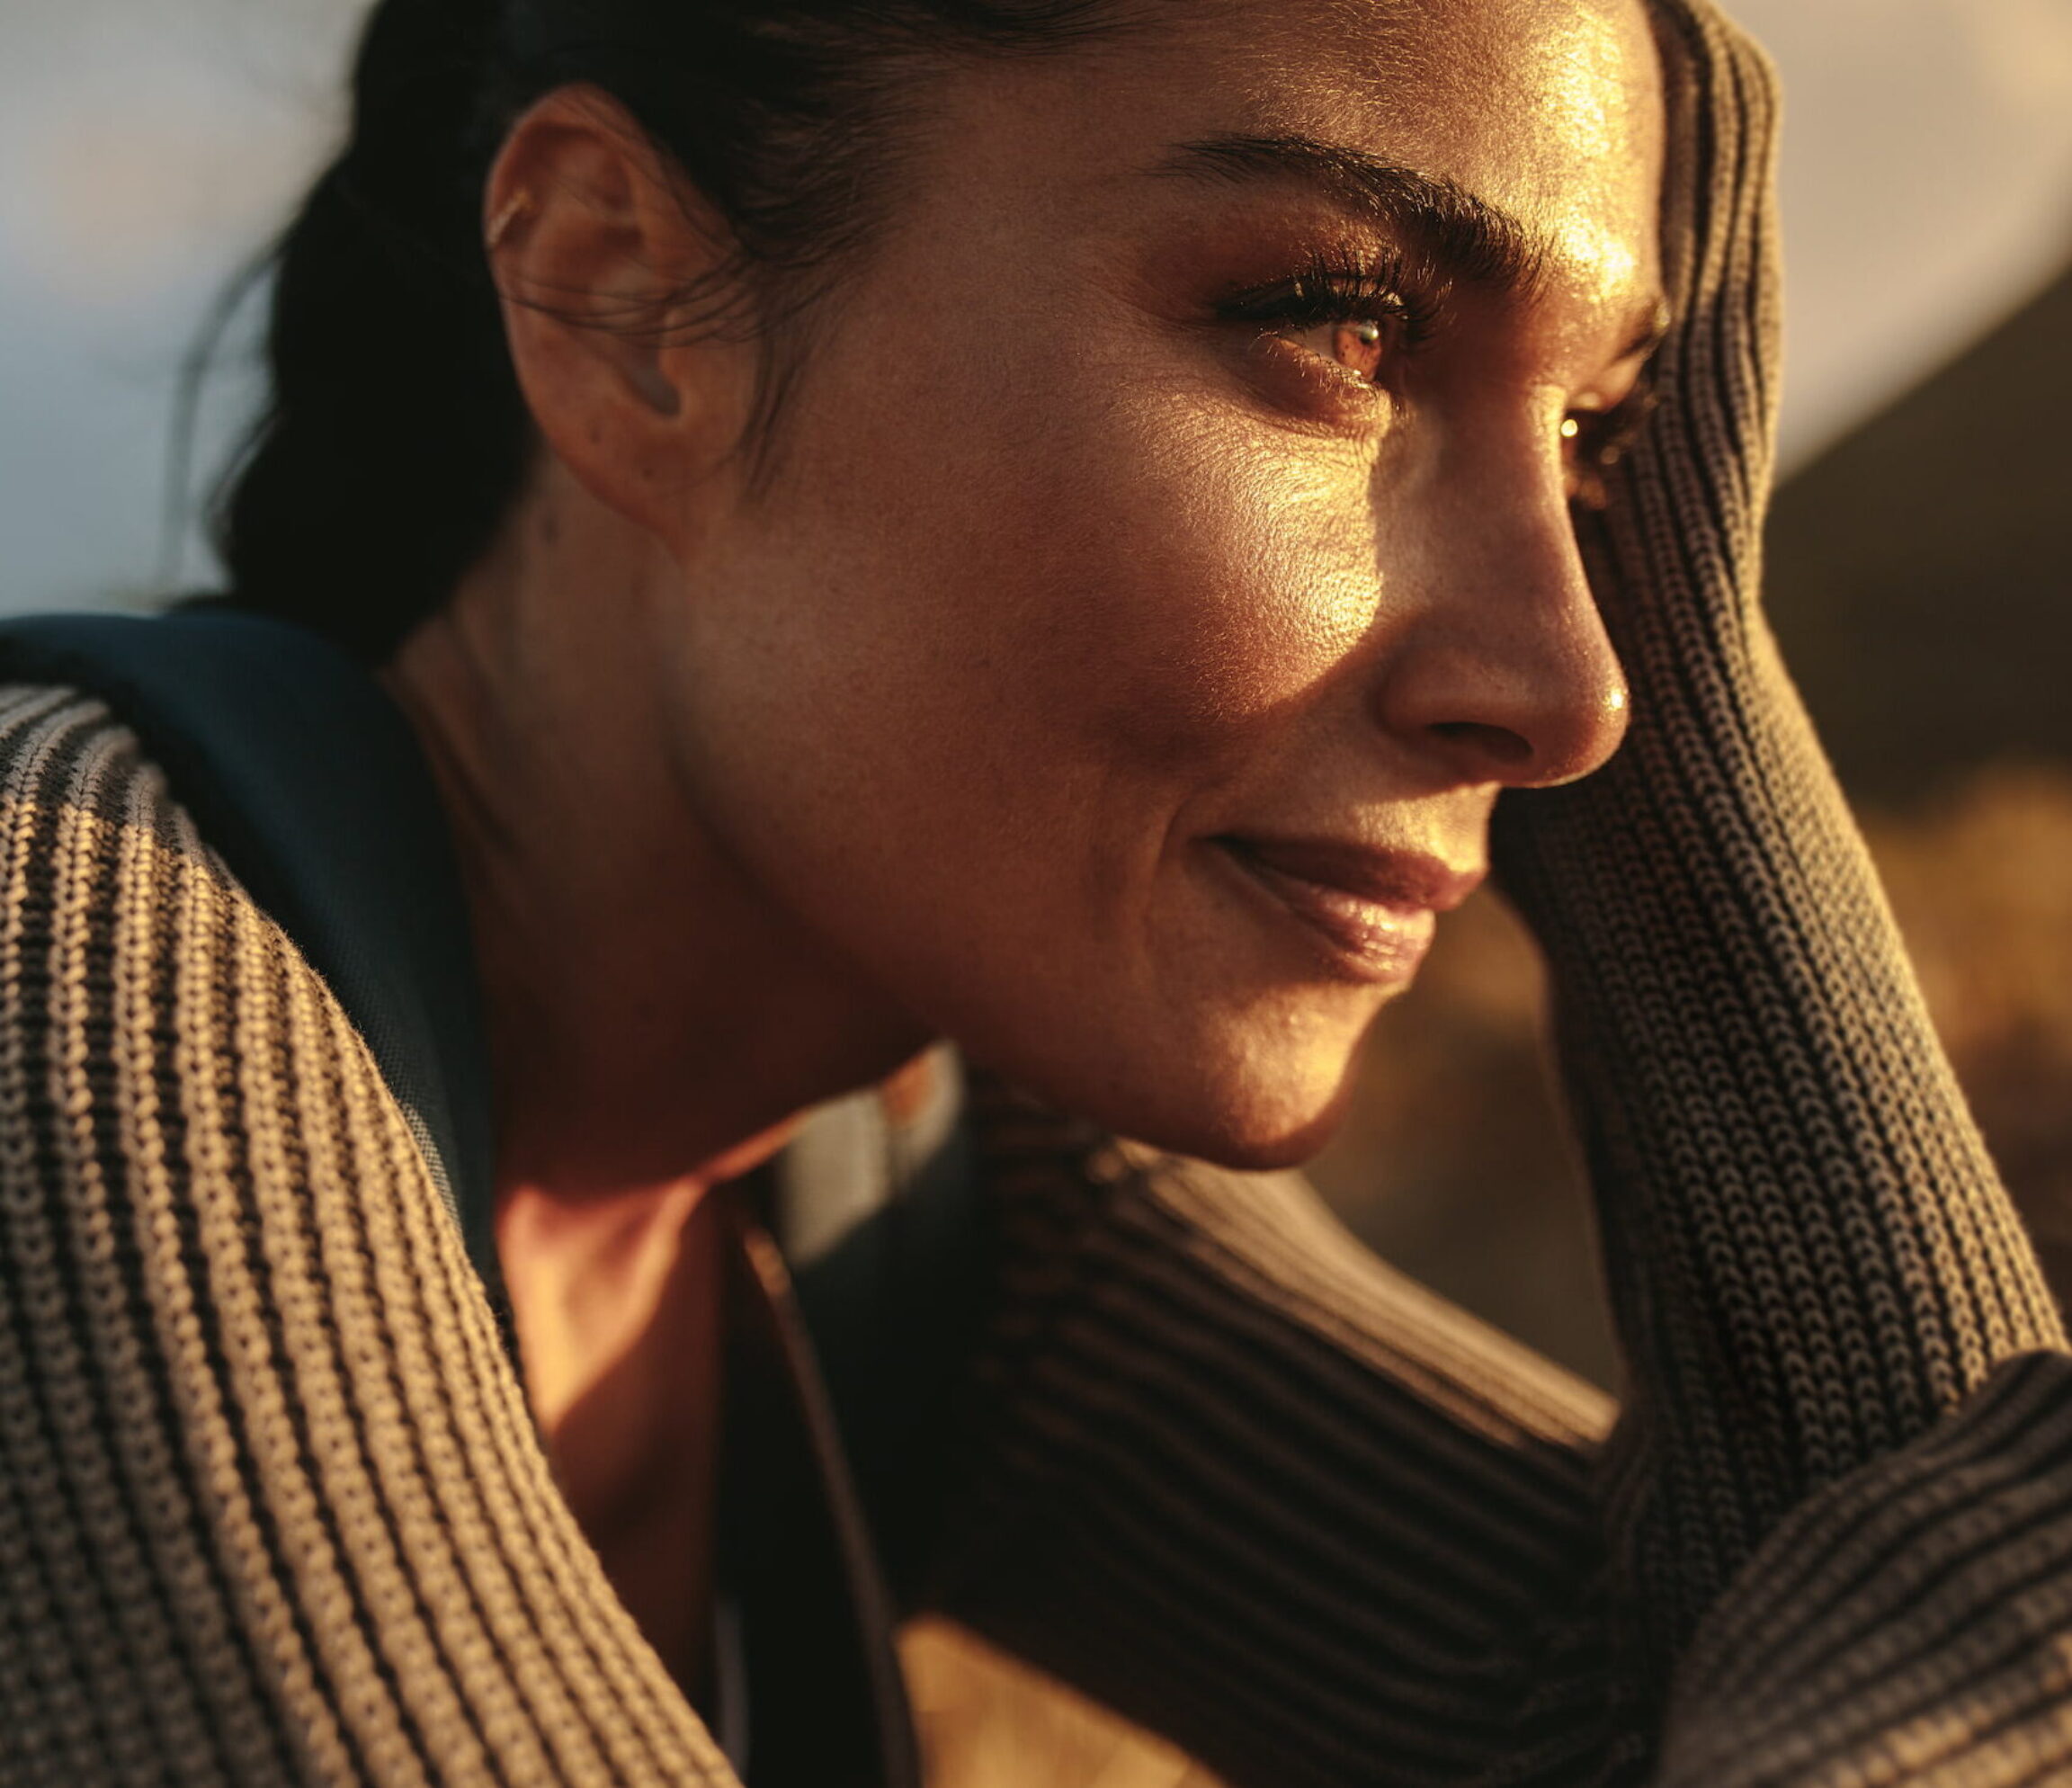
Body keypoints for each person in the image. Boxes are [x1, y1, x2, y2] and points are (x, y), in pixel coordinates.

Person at [4, 0, 2072, 1783]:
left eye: (1608, 437)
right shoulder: (58, 949)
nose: (1568, 689)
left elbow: (1795, 1651)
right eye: (1336, 327)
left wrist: (1701, 731)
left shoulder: (901, 1160)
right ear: (623, 298)